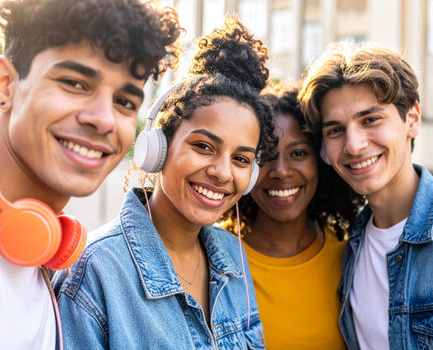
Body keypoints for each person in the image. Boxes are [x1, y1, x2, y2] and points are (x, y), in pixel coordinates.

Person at [53, 16, 278, 349]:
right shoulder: (94, 271)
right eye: (203, 146)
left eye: (241, 159)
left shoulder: (234, 257)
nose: (222, 172)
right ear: (157, 148)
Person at [0, 0, 181, 349]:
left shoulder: (40, 250)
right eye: (75, 83)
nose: (104, 119)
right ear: (4, 85)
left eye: (125, 102)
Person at [298, 41, 433, 350]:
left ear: (411, 119)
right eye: (335, 130)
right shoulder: (350, 245)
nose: (354, 145)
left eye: (370, 120)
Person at [219, 82, 364, 349]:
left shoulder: (352, 254)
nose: (282, 171)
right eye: (267, 156)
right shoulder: (215, 258)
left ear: (321, 161)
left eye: (298, 153)